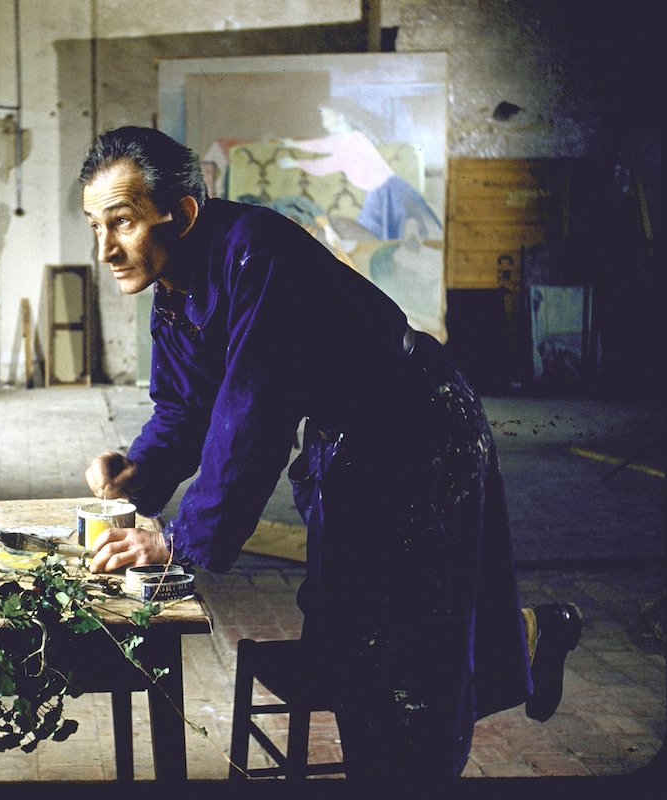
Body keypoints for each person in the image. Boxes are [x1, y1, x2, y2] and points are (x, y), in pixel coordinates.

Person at [78, 126, 580, 778]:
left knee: (401, 647)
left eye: (121, 223)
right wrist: (136, 472)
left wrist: (177, 540)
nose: (106, 249)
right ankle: (527, 639)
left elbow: (250, 419)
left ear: (185, 213)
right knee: (348, 627)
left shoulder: (256, 255)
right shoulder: (174, 284)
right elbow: (184, 406)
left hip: (418, 428)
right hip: (350, 439)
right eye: (95, 227)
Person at [276, 96, 443, 241]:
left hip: (389, 193)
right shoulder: (341, 139)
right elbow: (321, 145)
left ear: (340, 117)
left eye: (326, 115)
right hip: (376, 194)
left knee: (395, 234)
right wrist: (294, 144)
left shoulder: (355, 140)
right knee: (368, 233)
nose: (323, 120)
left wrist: (296, 163)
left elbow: (326, 165)